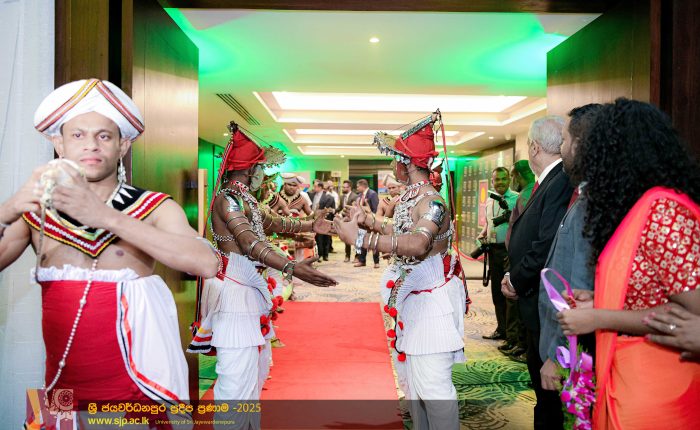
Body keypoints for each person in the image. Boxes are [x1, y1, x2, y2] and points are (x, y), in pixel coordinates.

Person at [0, 79, 219, 423]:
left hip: (137, 386)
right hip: (62, 385)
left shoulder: (154, 206)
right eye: (78, 135)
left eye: (104, 136)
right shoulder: (35, 212)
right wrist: (6, 211)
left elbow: (205, 263)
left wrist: (105, 217)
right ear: (58, 143)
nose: (91, 145)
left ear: (123, 145)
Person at [555, 98, 700, 429]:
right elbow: (650, 294)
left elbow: (690, 312)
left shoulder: (663, 211)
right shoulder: (641, 208)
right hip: (635, 374)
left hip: (659, 385)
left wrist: (598, 317)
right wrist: (599, 300)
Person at [188, 123, 337, 405]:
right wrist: (291, 267)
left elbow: (276, 223)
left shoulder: (246, 200)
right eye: (261, 169)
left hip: (248, 288)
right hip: (235, 293)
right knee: (236, 379)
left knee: (255, 373)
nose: (263, 175)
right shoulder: (228, 200)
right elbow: (248, 243)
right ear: (250, 170)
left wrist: (310, 224)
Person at [335, 113, 467, 429]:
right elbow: (400, 229)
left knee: (434, 390)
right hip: (415, 301)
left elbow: (418, 244)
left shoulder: (433, 203)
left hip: (432, 306)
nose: (393, 164)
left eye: (396, 158)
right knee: (417, 390)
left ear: (406, 162)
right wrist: (369, 221)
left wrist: (362, 239)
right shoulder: (413, 197)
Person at [501, 115, 573, 430]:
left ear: (533, 147)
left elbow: (545, 243)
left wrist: (516, 279)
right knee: (540, 384)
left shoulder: (559, 182)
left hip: (543, 299)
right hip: (533, 297)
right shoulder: (550, 181)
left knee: (548, 394)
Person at [537, 104, 602, 395]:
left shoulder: (592, 206)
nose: (560, 148)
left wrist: (558, 354)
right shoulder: (585, 196)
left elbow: (580, 286)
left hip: (569, 353)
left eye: (564, 140)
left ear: (580, 145)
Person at [501, 160, 536, 362]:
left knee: (518, 301)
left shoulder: (526, 195)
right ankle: (519, 342)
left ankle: (522, 345)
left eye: (512, 176)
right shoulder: (532, 192)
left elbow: (521, 229)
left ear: (519, 176)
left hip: (520, 258)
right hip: (521, 256)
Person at [478, 167, 518, 342]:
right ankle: (501, 329)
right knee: (496, 292)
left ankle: (512, 334)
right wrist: (483, 233)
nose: (500, 182)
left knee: (509, 292)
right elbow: (489, 223)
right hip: (493, 250)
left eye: (503, 178)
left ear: (509, 180)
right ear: (492, 181)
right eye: (497, 179)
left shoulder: (517, 199)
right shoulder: (490, 200)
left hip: (509, 250)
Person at [354, 178, 380, 268]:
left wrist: (374, 221)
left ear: (363, 186)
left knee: (374, 241)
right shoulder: (359, 196)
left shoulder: (372, 194)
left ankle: (376, 262)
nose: (357, 188)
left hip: (372, 223)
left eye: (358, 186)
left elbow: (376, 209)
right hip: (362, 224)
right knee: (361, 241)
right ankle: (362, 261)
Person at [308, 180, 335, 261]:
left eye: (315, 186)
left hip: (325, 219)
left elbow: (330, 209)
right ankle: (318, 255)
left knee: (326, 237)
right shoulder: (311, 195)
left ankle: (325, 255)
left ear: (320, 187)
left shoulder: (328, 197)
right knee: (317, 238)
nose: (313, 188)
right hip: (314, 219)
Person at [337, 179, 358, 262]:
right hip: (345, 221)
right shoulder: (342, 197)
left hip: (353, 221)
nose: (343, 188)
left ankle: (357, 256)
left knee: (355, 238)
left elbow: (354, 209)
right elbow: (340, 207)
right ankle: (347, 256)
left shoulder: (355, 196)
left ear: (349, 188)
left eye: (345, 187)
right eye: (343, 187)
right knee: (346, 238)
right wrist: (335, 211)